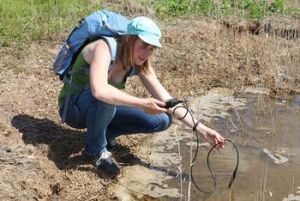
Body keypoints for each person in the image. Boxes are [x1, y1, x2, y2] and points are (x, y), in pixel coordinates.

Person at [58, 15, 225, 179]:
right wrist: (141, 103)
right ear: (130, 39)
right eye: (144, 45)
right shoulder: (104, 47)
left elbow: (167, 100)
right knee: (107, 97)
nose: (146, 53)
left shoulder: (140, 62)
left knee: (163, 118)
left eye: (152, 48)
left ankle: (104, 134)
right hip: (73, 109)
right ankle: (95, 151)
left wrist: (201, 129)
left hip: (99, 108)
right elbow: (100, 91)